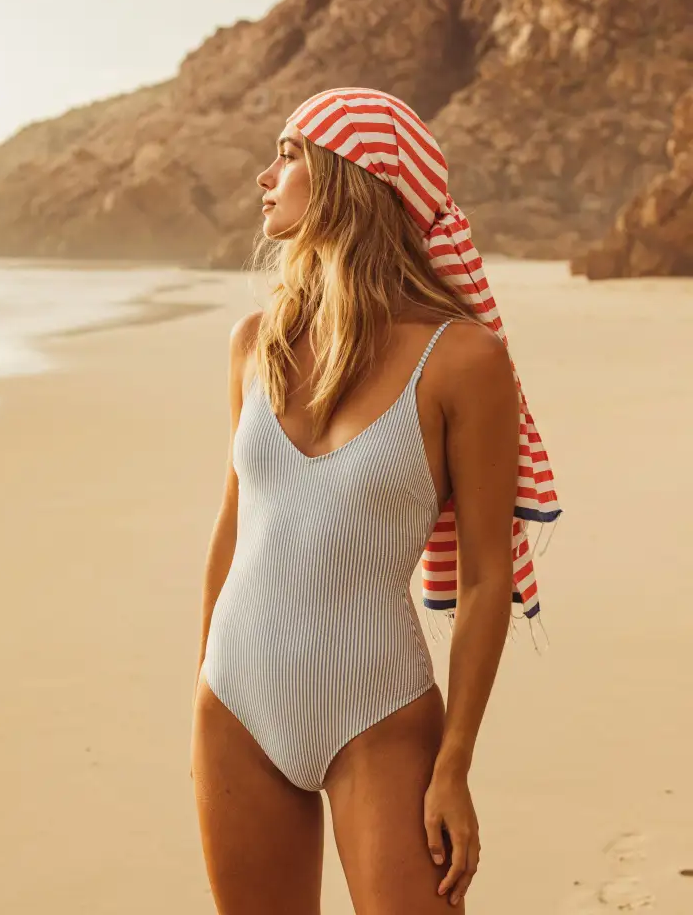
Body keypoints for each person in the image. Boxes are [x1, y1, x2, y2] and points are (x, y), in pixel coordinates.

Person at [189, 88, 561, 913]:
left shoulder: (463, 360)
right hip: (235, 706)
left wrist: (456, 762)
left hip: (381, 717)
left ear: (347, 178)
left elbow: (484, 581)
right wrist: (203, 680)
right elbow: (232, 526)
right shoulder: (256, 344)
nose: (265, 174)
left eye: (288, 154)